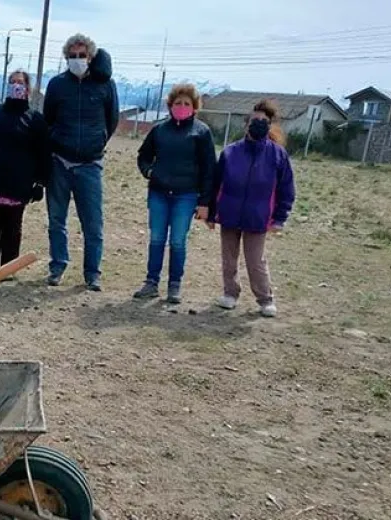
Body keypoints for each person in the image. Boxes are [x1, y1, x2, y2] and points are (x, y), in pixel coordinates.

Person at [43, 33, 119, 291]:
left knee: (93, 224)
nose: (77, 60)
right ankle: (57, 265)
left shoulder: (106, 86)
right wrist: (57, 140)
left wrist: (96, 143)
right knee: (56, 219)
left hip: (90, 164)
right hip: (59, 163)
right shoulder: (56, 85)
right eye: (72, 56)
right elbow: (48, 118)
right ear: (66, 58)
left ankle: (92, 273)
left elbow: (112, 121)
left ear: (91, 57)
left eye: (82, 55)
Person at [207, 99, 296, 318]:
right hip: (229, 214)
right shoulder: (230, 153)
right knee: (229, 259)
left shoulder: (277, 154)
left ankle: (265, 299)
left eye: (264, 121)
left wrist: (279, 218)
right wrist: (210, 212)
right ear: (246, 124)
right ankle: (230, 294)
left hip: (258, 217)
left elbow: (286, 189)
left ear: (270, 125)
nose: (258, 124)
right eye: (254, 120)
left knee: (256, 261)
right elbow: (214, 184)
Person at [133, 84, 216, 303]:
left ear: (195, 107)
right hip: (159, 193)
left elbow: (209, 169)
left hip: (186, 195)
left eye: (187, 103)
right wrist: (149, 171)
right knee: (157, 239)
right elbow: (143, 156)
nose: (182, 106)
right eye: (178, 103)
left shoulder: (201, 132)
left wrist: (205, 202)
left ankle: (174, 285)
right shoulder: (159, 130)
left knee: (178, 241)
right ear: (170, 105)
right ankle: (151, 283)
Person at [0, 70, 50, 276]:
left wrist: (40, 183)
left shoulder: (34, 119)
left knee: (13, 227)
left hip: (18, 182)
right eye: (13, 82)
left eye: (21, 83)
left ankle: (8, 266)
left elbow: (43, 153)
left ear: (27, 89)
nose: (16, 86)